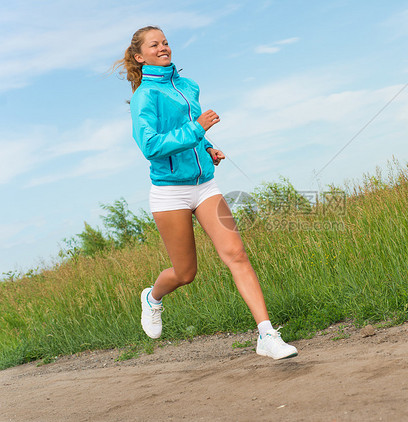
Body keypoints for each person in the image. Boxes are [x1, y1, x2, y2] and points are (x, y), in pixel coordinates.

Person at [115, 26, 297, 360]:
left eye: (166, 42)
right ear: (140, 57)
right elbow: (151, 146)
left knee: (236, 254)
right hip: (170, 193)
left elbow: (189, 134)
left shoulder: (188, 86)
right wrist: (199, 128)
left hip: (204, 185)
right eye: (155, 44)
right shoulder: (145, 97)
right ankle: (152, 298)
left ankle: (267, 334)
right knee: (185, 273)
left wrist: (208, 146)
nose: (164, 47)